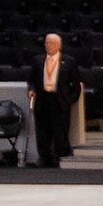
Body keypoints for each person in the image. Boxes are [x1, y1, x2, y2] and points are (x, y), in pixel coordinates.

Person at [26, 33, 80, 167]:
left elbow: (76, 84)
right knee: (42, 130)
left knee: (60, 129)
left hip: (59, 99)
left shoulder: (69, 61)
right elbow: (31, 79)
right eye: (46, 43)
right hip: (43, 98)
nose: (48, 46)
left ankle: (59, 156)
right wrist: (31, 89)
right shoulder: (38, 60)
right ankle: (44, 157)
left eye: (51, 43)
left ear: (58, 45)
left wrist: (69, 100)